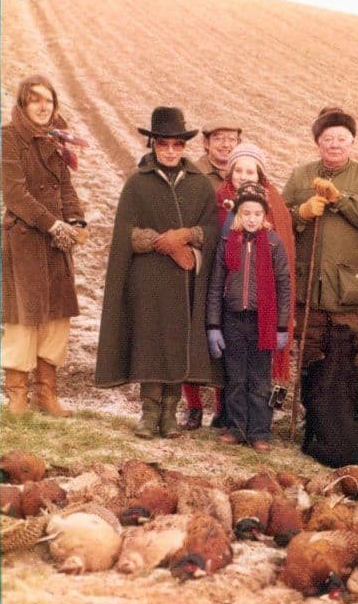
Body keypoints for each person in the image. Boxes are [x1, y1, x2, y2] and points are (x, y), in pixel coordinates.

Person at [95, 106, 220, 439]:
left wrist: (187, 239)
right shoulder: (137, 184)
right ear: (152, 144)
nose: (169, 151)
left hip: (185, 280)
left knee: (178, 342)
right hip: (147, 279)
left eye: (176, 145)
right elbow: (126, 232)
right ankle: (149, 414)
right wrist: (161, 241)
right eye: (163, 144)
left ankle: (170, 414)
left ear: (184, 146)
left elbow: (212, 228)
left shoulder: (199, 185)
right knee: (151, 343)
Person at [282, 106, 358, 419]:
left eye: (342, 138)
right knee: (310, 352)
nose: (335, 144)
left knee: (350, 354)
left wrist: (340, 200)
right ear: (318, 143)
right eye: (328, 138)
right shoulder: (301, 175)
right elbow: (279, 219)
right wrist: (300, 214)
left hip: (349, 289)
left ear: (352, 143)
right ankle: (313, 418)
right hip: (309, 285)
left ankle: (348, 418)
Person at [1, 74, 87, 418]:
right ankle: (17, 397)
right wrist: (53, 224)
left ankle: (45, 394)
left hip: (56, 246)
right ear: (23, 104)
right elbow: (15, 194)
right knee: (23, 320)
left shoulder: (56, 141)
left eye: (48, 101)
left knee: (56, 319)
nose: (42, 106)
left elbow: (66, 188)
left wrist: (77, 221)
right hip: (23, 241)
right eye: (35, 99)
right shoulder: (7, 138)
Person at [205, 182, 291, 451]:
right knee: (236, 377)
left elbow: (284, 285)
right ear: (238, 215)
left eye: (257, 214)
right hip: (232, 319)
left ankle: (260, 431)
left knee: (260, 379)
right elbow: (216, 284)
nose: (252, 219)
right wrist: (213, 324)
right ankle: (237, 427)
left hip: (262, 322)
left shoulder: (274, 244)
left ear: (265, 216)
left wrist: (281, 326)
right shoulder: (228, 242)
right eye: (246, 213)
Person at [180, 119, 243, 429]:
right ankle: (192, 406)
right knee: (192, 332)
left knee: (225, 334)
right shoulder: (192, 174)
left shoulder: (243, 175)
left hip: (231, 268)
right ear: (205, 143)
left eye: (231, 138)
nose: (225, 144)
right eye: (218, 138)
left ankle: (222, 408)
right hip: (199, 261)